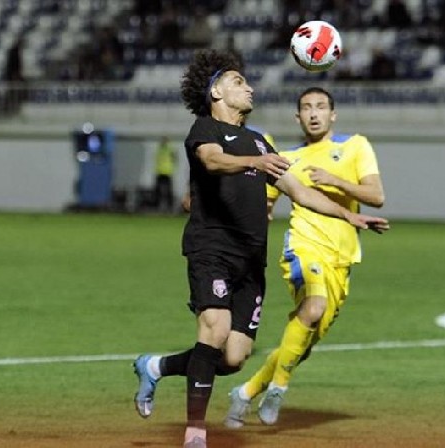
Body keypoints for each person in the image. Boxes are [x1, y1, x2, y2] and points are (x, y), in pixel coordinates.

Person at [132, 50, 389, 448]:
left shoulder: (257, 141)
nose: (249, 88)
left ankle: (155, 366)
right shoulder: (205, 129)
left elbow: (300, 192)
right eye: (238, 82)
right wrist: (256, 161)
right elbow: (213, 161)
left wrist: (349, 216)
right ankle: (195, 433)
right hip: (212, 249)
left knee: (233, 357)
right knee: (214, 329)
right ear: (216, 91)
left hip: (251, 260)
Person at [224, 86, 386, 428]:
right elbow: (265, 206)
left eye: (321, 106)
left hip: (341, 258)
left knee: (303, 344)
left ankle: (245, 392)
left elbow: (376, 195)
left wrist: (334, 180)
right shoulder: (286, 159)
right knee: (313, 308)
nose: (314, 113)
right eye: (307, 108)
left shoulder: (355, 146)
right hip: (303, 246)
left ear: (333, 114)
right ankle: (278, 389)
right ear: (297, 117)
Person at [154, 136, 177, 212]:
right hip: (160, 171)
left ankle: (170, 206)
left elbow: (174, 159)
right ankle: (159, 205)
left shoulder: (169, 149)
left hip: (167, 172)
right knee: (158, 191)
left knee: (168, 191)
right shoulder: (160, 149)